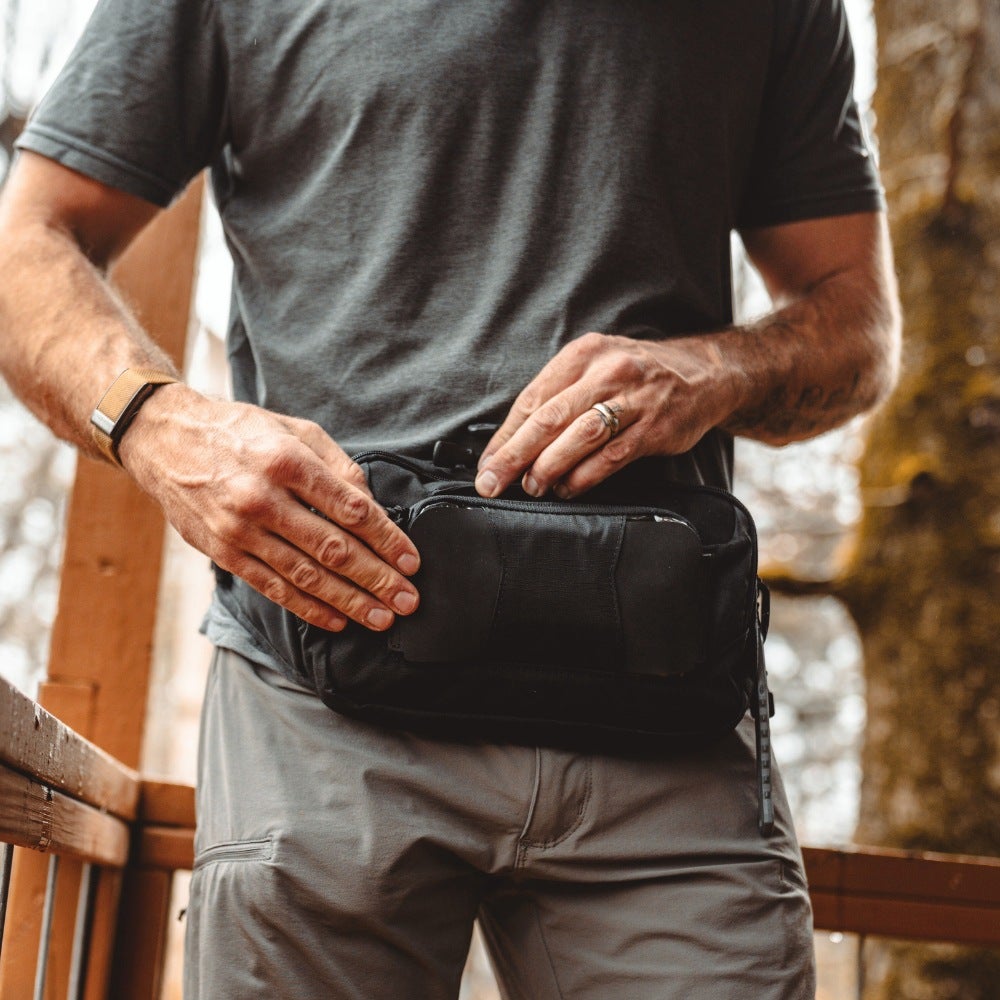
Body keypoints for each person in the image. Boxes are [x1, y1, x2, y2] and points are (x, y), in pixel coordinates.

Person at [0, 0, 900, 996]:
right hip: (324, 689)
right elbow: (27, 245)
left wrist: (717, 371)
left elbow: (856, 322)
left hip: (664, 718)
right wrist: (164, 427)